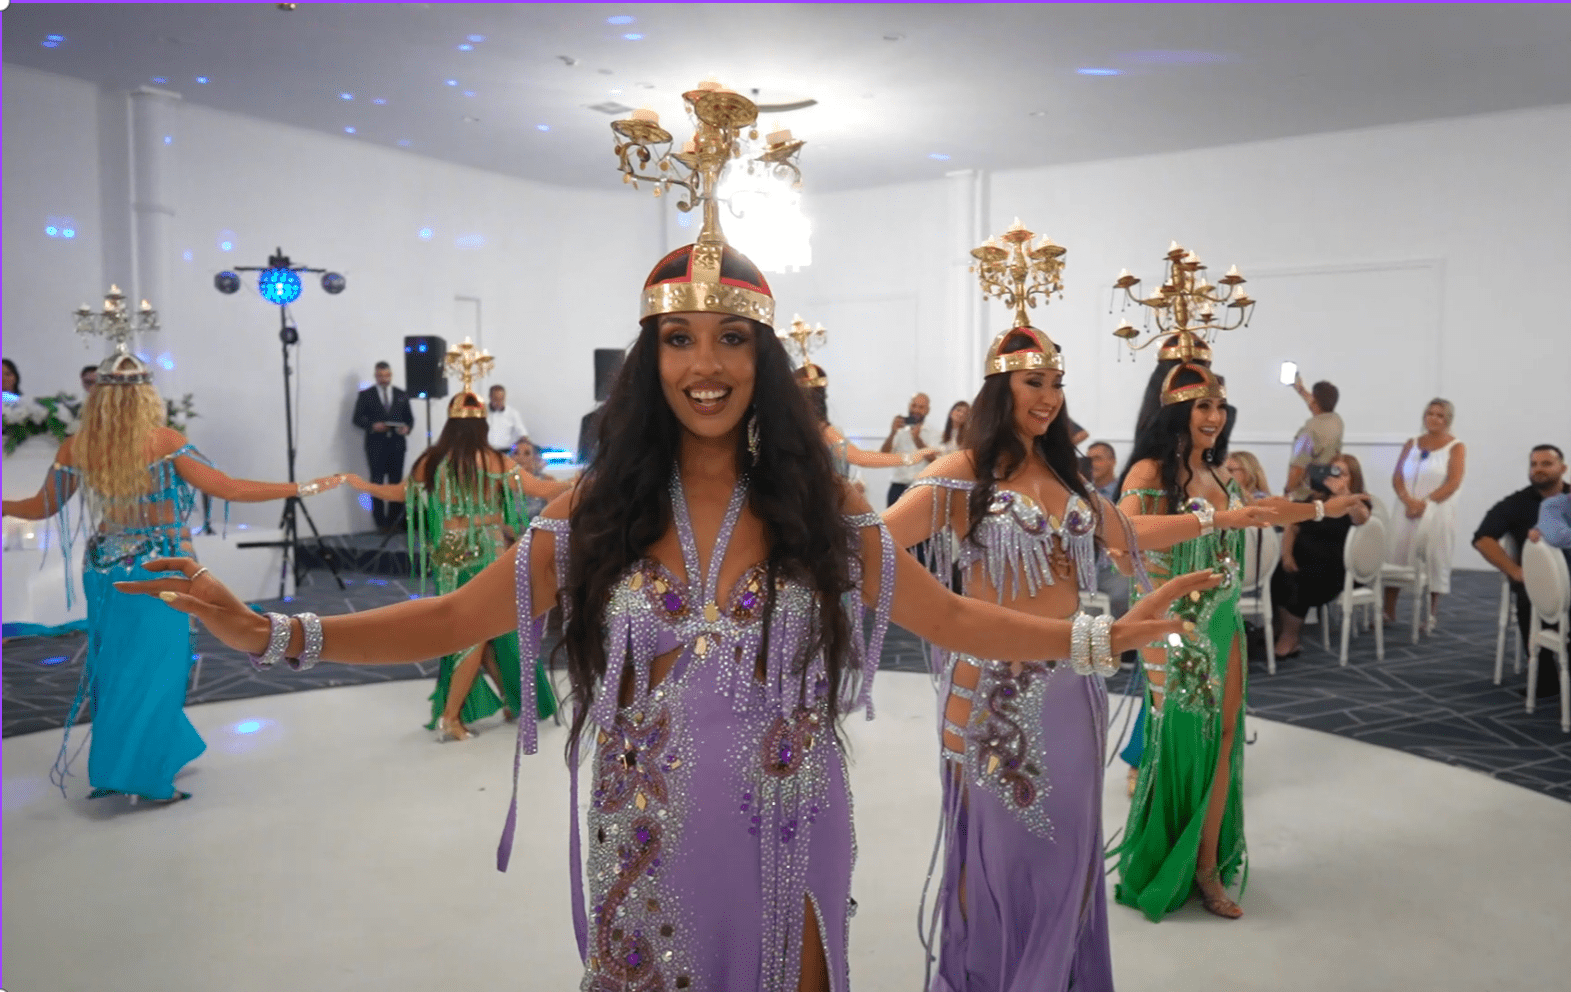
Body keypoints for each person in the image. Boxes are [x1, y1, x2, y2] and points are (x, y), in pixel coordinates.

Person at [119, 222, 1210, 992]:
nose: (705, 364)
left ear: (762, 359)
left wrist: (1097, 636)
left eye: (731, 339)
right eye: (679, 339)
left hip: (794, 821)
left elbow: (950, 619)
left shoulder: (818, 505)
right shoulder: (596, 508)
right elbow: (455, 618)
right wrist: (273, 631)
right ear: (651, 360)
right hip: (646, 828)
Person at [886, 322, 1268, 991]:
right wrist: (946, 618)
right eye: (1033, 382)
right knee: (1002, 855)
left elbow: (1128, 531)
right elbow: (874, 548)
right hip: (996, 698)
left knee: (1067, 852)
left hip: (1074, 691)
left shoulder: (1064, 474)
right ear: (999, 389)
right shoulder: (963, 472)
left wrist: (1219, 520)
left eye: (1056, 383)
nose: (1048, 397)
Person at [1, 343, 339, 804]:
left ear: (98, 396)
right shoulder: (163, 442)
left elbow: (41, 507)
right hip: (158, 567)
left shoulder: (77, 446)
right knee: (158, 668)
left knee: (115, 666)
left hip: (104, 566)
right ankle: (145, 778)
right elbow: (228, 488)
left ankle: (125, 763)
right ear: (146, 395)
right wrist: (304, 487)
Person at [1113, 357, 1367, 922]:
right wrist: (1213, 523)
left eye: (1220, 406)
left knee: (1224, 739)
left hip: (1223, 620)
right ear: (1176, 410)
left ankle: (1207, 866)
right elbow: (1127, 531)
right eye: (1202, 405)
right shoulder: (1149, 473)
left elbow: (1263, 511)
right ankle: (1166, 861)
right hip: (1175, 624)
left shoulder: (1219, 473)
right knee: (1180, 742)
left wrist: (1323, 507)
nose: (1214, 416)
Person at [346, 388, 568, 741]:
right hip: (485, 553)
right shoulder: (493, 461)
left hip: (447, 555)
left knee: (474, 631)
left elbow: (401, 493)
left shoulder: (432, 461)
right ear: (482, 426)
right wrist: (580, 484)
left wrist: (362, 485)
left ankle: (510, 702)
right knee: (479, 633)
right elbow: (541, 490)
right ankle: (451, 717)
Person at [1474, 444, 1569, 698]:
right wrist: (1515, 571)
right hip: (1538, 582)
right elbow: (1483, 539)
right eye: (1533, 464)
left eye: (1546, 464)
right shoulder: (1516, 503)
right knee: (1529, 599)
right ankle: (1546, 679)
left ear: (1563, 468)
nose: (1538, 469)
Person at [1270, 455, 1373, 658]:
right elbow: (1292, 526)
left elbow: (1362, 519)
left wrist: (1344, 494)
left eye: (1342, 473)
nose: (1335, 477)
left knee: (1300, 581)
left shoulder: (1356, 501)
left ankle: (1290, 637)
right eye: (1332, 471)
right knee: (1277, 574)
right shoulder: (1315, 500)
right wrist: (1287, 555)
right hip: (1301, 558)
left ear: (1353, 477)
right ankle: (1279, 628)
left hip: (1332, 567)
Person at [1385, 398, 1466, 630]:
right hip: (1405, 508)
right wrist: (1408, 500)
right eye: (1430, 413)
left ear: (1447, 420)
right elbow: (1398, 476)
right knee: (1396, 555)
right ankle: (1388, 610)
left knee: (1433, 558)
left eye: (1440, 415)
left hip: (1436, 511)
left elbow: (1453, 482)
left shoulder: (1456, 447)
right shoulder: (1412, 443)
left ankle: (1430, 614)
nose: (1434, 418)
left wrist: (1425, 504)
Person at [797, 364, 939, 477]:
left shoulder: (820, 429)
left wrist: (911, 456)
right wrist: (909, 457)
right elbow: (861, 457)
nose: (916, 410)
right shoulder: (817, 428)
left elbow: (861, 457)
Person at [351, 361, 415, 533]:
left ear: (391, 375)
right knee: (377, 483)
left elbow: (409, 419)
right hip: (376, 445)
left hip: (397, 445)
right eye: (380, 376)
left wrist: (406, 428)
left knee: (396, 482)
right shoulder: (366, 395)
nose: (384, 379)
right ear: (375, 376)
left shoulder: (401, 394)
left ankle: (395, 521)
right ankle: (380, 523)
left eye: (386, 375)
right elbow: (357, 419)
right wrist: (373, 425)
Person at [1283, 376, 1343, 499]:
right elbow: (1318, 403)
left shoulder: (1309, 432)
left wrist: (1287, 491)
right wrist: (1300, 389)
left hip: (1307, 496)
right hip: (1327, 489)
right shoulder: (1336, 421)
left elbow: (1298, 467)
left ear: (1315, 402)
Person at [879, 391, 938, 506]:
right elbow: (883, 454)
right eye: (914, 405)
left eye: (921, 407)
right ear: (909, 406)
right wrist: (892, 433)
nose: (916, 410)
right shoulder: (899, 430)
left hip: (922, 488)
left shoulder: (934, 433)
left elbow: (935, 460)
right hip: (898, 487)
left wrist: (917, 439)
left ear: (927, 410)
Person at [485, 383, 529, 455]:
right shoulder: (481, 412)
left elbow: (522, 433)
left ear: (505, 398)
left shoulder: (512, 413)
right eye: (496, 399)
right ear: (490, 397)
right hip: (486, 451)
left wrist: (526, 447)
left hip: (506, 452)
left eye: (501, 399)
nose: (498, 403)